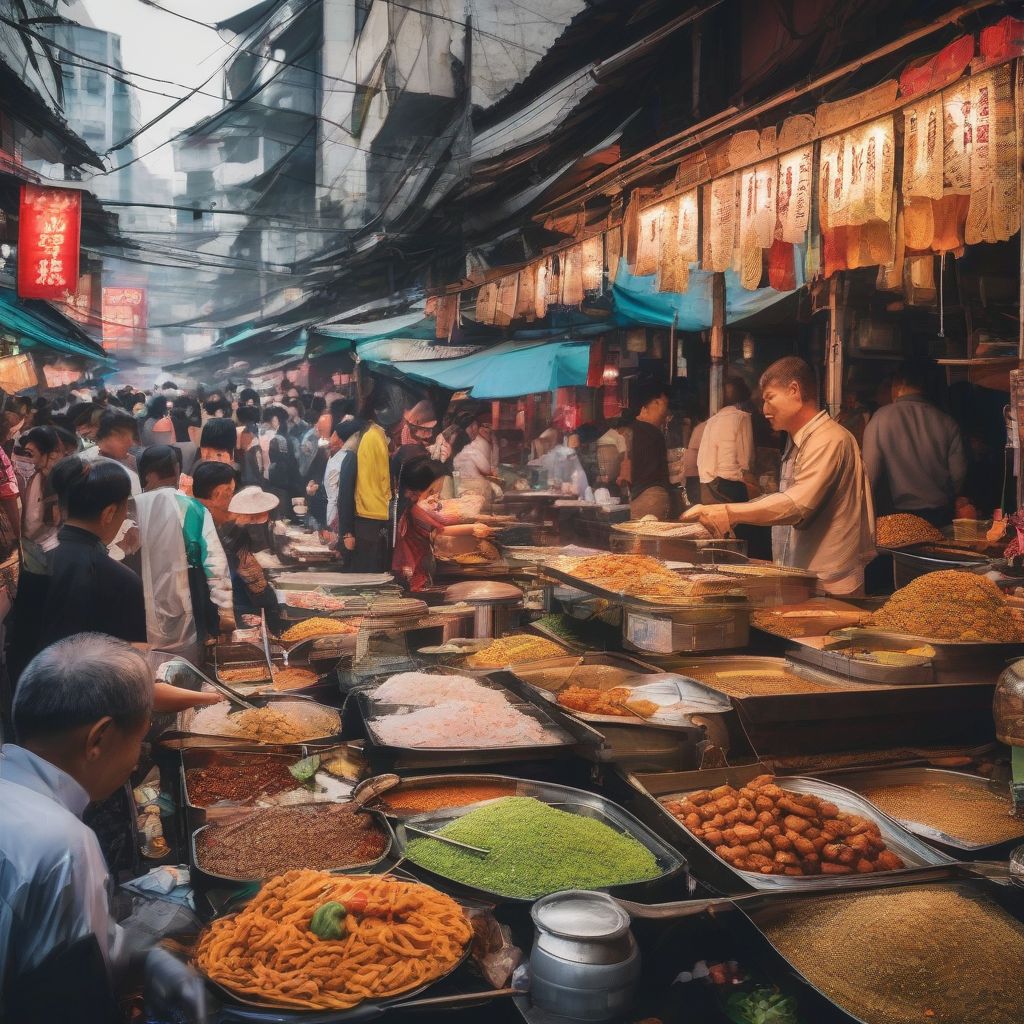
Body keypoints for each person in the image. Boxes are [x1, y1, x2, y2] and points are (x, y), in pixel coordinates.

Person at [0, 634, 222, 1018]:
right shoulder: (61, 845)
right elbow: (69, 1001)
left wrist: (142, 960)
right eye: (138, 739)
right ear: (98, 739)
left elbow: (62, 947)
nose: (137, 761)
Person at [682, 356, 876, 595]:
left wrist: (729, 512)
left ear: (794, 390)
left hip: (831, 583)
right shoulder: (801, 440)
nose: (764, 410)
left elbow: (797, 505)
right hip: (810, 577)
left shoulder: (828, 439)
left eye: (770, 398)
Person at [34, 458, 147, 655]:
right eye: (124, 508)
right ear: (109, 513)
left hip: (27, 682)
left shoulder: (33, 559)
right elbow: (129, 667)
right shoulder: (122, 581)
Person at [136, 446, 235, 655]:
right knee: (186, 660)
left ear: (145, 474)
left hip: (138, 603)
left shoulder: (132, 507)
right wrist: (225, 611)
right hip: (188, 594)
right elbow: (215, 564)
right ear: (177, 469)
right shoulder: (193, 507)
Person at [861, 358, 967, 527]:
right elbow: (958, 475)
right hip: (939, 517)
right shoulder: (946, 421)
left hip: (895, 519)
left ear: (899, 382)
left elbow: (869, 476)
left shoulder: (881, 418)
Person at [392, 457, 493, 591]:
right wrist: (472, 528)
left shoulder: (417, 505)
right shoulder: (417, 509)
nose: (436, 496)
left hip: (420, 565)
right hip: (414, 569)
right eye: (432, 491)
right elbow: (439, 532)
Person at [697, 378, 757, 505]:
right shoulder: (742, 417)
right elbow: (745, 459)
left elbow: (703, 458)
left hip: (713, 484)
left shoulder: (713, 420)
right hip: (734, 484)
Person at [350, 406, 392, 573]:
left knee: (366, 568)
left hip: (366, 511)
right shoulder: (376, 437)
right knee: (371, 571)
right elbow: (384, 477)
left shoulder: (370, 435)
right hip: (374, 511)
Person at [629, 379, 674, 520]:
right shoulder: (653, 434)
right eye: (663, 405)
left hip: (637, 496)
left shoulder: (630, 431)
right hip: (652, 497)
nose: (665, 413)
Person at [80, 411, 142, 494]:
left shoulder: (131, 460)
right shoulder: (87, 465)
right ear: (114, 435)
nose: (131, 443)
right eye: (126, 437)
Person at [324, 419, 362, 538]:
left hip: (338, 515)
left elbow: (335, 497)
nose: (331, 437)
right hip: (336, 512)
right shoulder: (337, 456)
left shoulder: (344, 458)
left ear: (340, 440)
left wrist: (331, 523)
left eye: (334, 434)